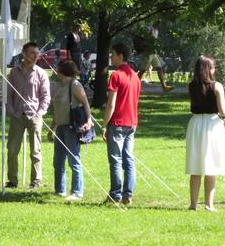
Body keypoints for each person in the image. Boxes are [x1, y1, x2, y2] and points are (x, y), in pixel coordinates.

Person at [186, 56, 225, 211]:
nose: (214, 70)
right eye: (212, 67)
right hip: (212, 124)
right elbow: (223, 111)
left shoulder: (190, 86)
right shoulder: (217, 86)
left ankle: (193, 204)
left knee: (195, 165)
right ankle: (209, 204)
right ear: (208, 69)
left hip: (195, 124)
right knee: (211, 165)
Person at [6, 42, 51, 189]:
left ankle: (35, 181)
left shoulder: (41, 73)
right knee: (12, 150)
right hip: (17, 115)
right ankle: (12, 180)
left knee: (35, 150)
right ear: (24, 54)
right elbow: (9, 94)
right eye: (32, 53)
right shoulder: (14, 72)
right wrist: (11, 110)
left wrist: (39, 113)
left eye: (37, 53)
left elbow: (46, 97)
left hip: (34, 116)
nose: (36, 56)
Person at [102, 42, 142, 204]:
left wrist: (104, 124)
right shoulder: (135, 76)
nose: (111, 57)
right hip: (132, 123)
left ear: (120, 56)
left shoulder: (116, 76)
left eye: (112, 54)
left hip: (117, 123)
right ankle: (128, 195)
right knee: (129, 159)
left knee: (116, 160)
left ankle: (115, 194)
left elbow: (111, 104)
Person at [47, 60, 93, 201]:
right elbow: (58, 111)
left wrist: (89, 120)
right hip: (60, 128)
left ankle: (77, 192)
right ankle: (60, 190)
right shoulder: (61, 86)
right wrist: (51, 129)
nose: (56, 71)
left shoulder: (75, 84)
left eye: (58, 68)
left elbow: (85, 103)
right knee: (58, 161)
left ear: (62, 70)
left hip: (71, 127)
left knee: (73, 160)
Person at [134, 25, 174, 93]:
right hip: (148, 54)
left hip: (153, 53)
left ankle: (164, 87)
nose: (159, 24)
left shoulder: (155, 30)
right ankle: (134, 86)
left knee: (159, 69)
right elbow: (149, 42)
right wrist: (151, 34)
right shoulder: (149, 29)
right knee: (142, 71)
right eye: (158, 22)